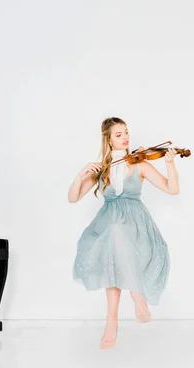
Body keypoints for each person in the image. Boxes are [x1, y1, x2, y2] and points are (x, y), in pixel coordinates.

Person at [68, 116, 180, 349]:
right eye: (118, 135)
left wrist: (169, 163)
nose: (125, 137)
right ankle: (123, 309)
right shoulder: (103, 170)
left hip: (136, 227)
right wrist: (81, 174)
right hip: (110, 225)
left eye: (126, 132)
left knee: (116, 235)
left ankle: (116, 316)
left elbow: (172, 189)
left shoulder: (140, 164)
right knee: (113, 246)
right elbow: (73, 197)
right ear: (108, 141)